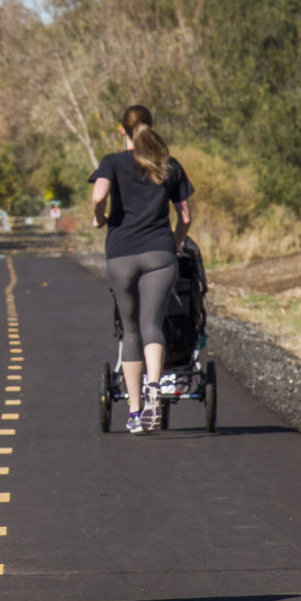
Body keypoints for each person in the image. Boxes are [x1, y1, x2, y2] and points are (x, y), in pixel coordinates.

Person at [90, 104, 195, 434]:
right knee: (153, 324)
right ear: (151, 127)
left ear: (122, 130)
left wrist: (99, 217)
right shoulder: (168, 164)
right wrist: (176, 242)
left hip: (121, 254)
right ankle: (154, 385)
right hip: (160, 254)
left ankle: (135, 411)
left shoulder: (112, 162)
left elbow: (99, 194)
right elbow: (186, 217)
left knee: (130, 327)